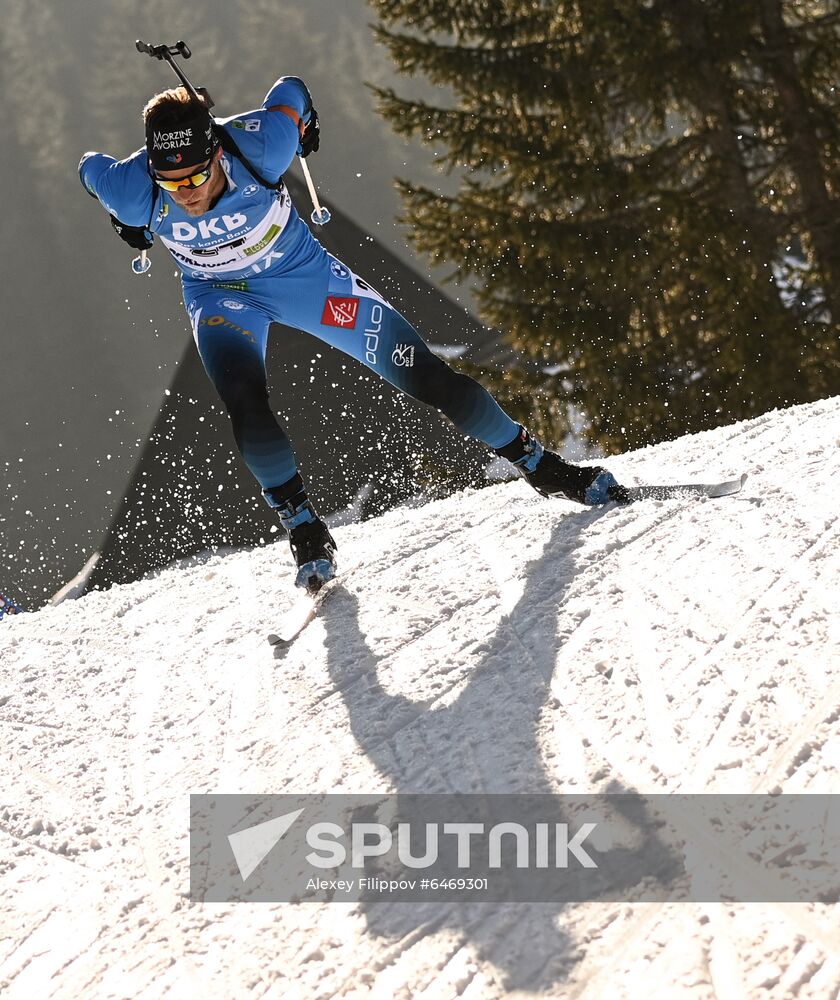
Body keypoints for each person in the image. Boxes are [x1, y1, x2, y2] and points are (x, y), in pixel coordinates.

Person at [79, 76, 624, 593]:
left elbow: (290, 90)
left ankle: (542, 467)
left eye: (196, 177)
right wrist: (120, 218)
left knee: (425, 376)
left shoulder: (261, 145)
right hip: (222, 301)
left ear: (217, 153)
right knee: (245, 402)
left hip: (306, 282)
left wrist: (307, 120)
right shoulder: (133, 189)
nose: (186, 193)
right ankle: (304, 527)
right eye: (170, 182)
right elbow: (88, 167)